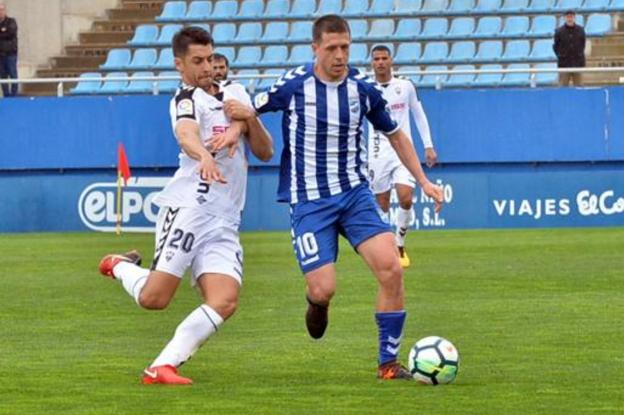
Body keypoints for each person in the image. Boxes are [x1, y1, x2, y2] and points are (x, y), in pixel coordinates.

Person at [228, 15, 443, 380]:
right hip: (310, 201)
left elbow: (395, 135)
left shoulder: (361, 88)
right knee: (324, 288)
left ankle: (388, 364)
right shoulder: (293, 85)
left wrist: (423, 180)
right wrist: (235, 127)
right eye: (332, 48)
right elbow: (252, 111)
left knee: (391, 269)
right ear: (316, 48)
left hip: (355, 195)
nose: (340, 55)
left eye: (345, 47)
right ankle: (317, 302)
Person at [97, 27, 273, 385]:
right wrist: (205, 155)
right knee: (154, 299)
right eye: (198, 61)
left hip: (225, 218)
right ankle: (116, 265)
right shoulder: (185, 99)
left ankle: (162, 366)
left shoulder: (236, 92)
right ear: (180, 65)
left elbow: (266, 151)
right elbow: (187, 134)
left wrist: (247, 121)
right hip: (190, 208)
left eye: (210, 58)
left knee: (225, 300)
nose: (208, 67)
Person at [367, 44, 437, 268]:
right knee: (382, 204)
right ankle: (384, 246)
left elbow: (419, 114)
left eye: (383, 58)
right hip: (378, 152)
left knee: (406, 197)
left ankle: (399, 244)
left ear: (391, 61)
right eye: (376, 59)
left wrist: (428, 145)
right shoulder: (366, 88)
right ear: (372, 63)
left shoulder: (405, 86)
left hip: (403, 150)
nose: (380, 62)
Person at [553, 10, 586, 87]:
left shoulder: (580, 30)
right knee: (563, 87)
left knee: (579, 87)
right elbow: (556, 46)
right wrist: (561, 55)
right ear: (564, 18)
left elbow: (582, 44)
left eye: (571, 16)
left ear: (574, 18)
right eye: (568, 17)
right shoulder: (559, 31)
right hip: (564, 64)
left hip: (577, 63)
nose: (569, 18)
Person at [0, 2, 18, 97]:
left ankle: (14, 95)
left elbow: (10, 33)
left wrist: (3, 33)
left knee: (13, 75)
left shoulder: (11, 21)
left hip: (11, 54)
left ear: (5, 11)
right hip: (1, 55)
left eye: (2, 10)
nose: (0, 12)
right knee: (3, 77)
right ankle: (6, 96)